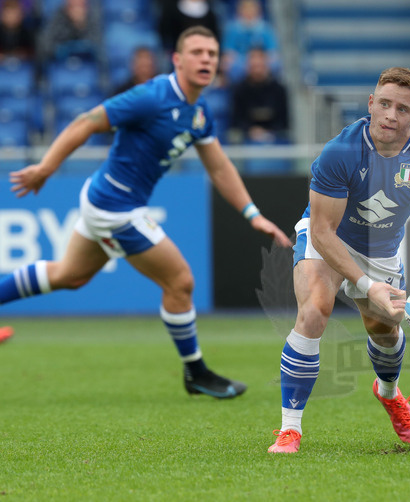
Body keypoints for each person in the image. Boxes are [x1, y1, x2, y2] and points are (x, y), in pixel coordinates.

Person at [2, 26, 292, 398]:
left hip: (106, 199)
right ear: (177, 59)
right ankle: (196, 373)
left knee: (69, 275)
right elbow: (86, 122)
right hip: (116, 207)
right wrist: (45, 168)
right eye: (198, 52)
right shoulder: (152, 97)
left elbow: (218, 166)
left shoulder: (198, 110)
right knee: (181, 282)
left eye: (212, 53)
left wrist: (252, 212)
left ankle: (196, 374)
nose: (206, 59)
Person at [267, 67, 410, 454]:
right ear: (370, 103)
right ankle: (290, 429)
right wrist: (367, 285)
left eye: (402, 109)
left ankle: (389, 393)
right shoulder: (340, 152)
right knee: (316, 309)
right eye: (383, 104)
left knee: (385, 333)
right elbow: (321, 232)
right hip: (329, 239)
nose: (390, 115)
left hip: (381, 252)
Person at [229, 47, 288, 144]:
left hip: (274, 139)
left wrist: (268, 132)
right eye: (254, 66)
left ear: (266, 65)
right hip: (246, 140)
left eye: (260, 65)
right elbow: (236, 120)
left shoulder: (279, 89)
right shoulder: (239, 89)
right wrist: (251, 131)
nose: (257, 69)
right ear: (248, 66)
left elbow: (283, 122)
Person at [37, 0, 104, 63]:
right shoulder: (58, 17)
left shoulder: (92, 17)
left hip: (87, 67)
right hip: (62, 66)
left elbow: (98, 48)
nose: (77, 8)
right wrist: (63, 49)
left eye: (80, 4)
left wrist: (80, 26)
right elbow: (46, 46)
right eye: (74, 5)